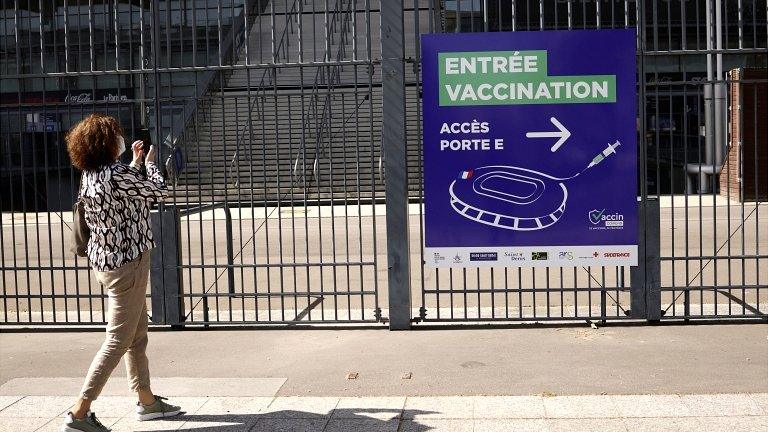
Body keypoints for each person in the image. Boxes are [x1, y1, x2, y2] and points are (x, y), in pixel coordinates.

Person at [60, 114, 181, 432]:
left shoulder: (92, 174)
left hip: (108, 262)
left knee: (137, 335)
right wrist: (152, 164)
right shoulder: (114, 174)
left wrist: (136, 162)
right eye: (116, 136)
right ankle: (80, 411)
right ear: (106, 143)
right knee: (117, 340)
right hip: (128, 265)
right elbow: (157, 194)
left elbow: (127, 193)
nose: (121, 140)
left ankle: (147, 401)